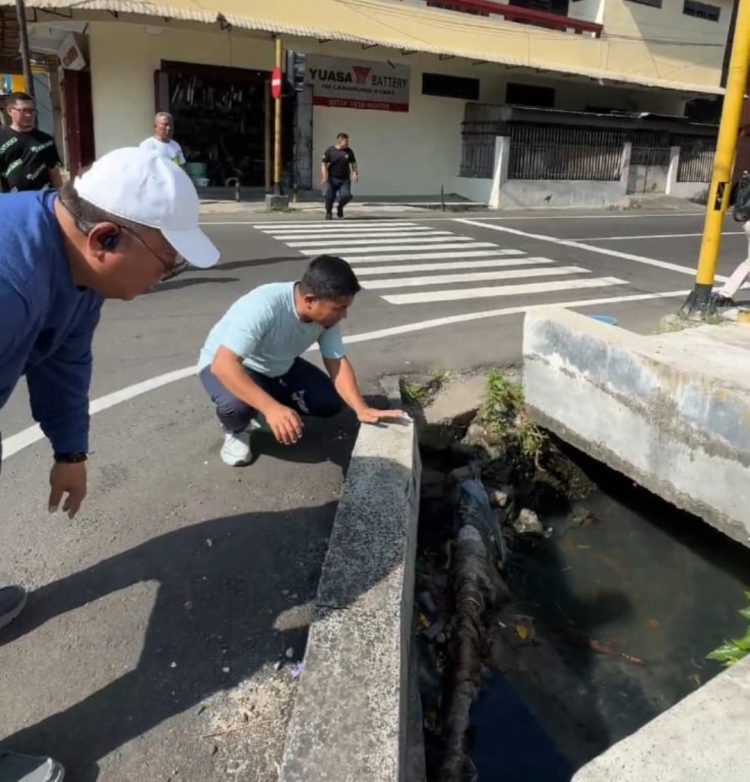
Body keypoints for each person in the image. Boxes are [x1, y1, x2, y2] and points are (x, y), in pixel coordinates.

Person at [0, 146, 219, 782]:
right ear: (105, 236)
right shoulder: (9, 285)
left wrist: (71, 451)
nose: (167, 274)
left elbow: (64, 362)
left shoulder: (77, 272)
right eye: (167, 263)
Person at [198, 254, 400, 467]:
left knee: (328, 403)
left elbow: (337, 362)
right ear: (310, 300)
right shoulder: (263, 305)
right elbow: (224, 365)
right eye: (339, 308)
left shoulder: (325, 319)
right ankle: (236, 430)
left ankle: (267, 408)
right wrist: (272, 408)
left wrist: (361, 408)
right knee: (236, 407)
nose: (344, 316)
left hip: (280, 365)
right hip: (231, 366)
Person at [0, 92, 63, 193]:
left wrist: (60, 197)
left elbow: (54, 173)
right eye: (24, 110)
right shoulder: (2, 140)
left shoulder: (45, 140)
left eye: (32, 110)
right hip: (13, 202)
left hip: (43, 200)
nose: (29, 115)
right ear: (10, 110)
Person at [321, 132, 358, 220]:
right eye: (346, 142)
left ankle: (340, 207)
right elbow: (324, 163)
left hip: (344, 179)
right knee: (329, 197)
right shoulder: (330, 151)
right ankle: (329, 212)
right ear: (339, 141)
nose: (347, 143)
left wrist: (355, 173)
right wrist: (324, 176)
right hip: (332, 178)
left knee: (346, 196)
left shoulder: (349, 151)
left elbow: (353, 162)